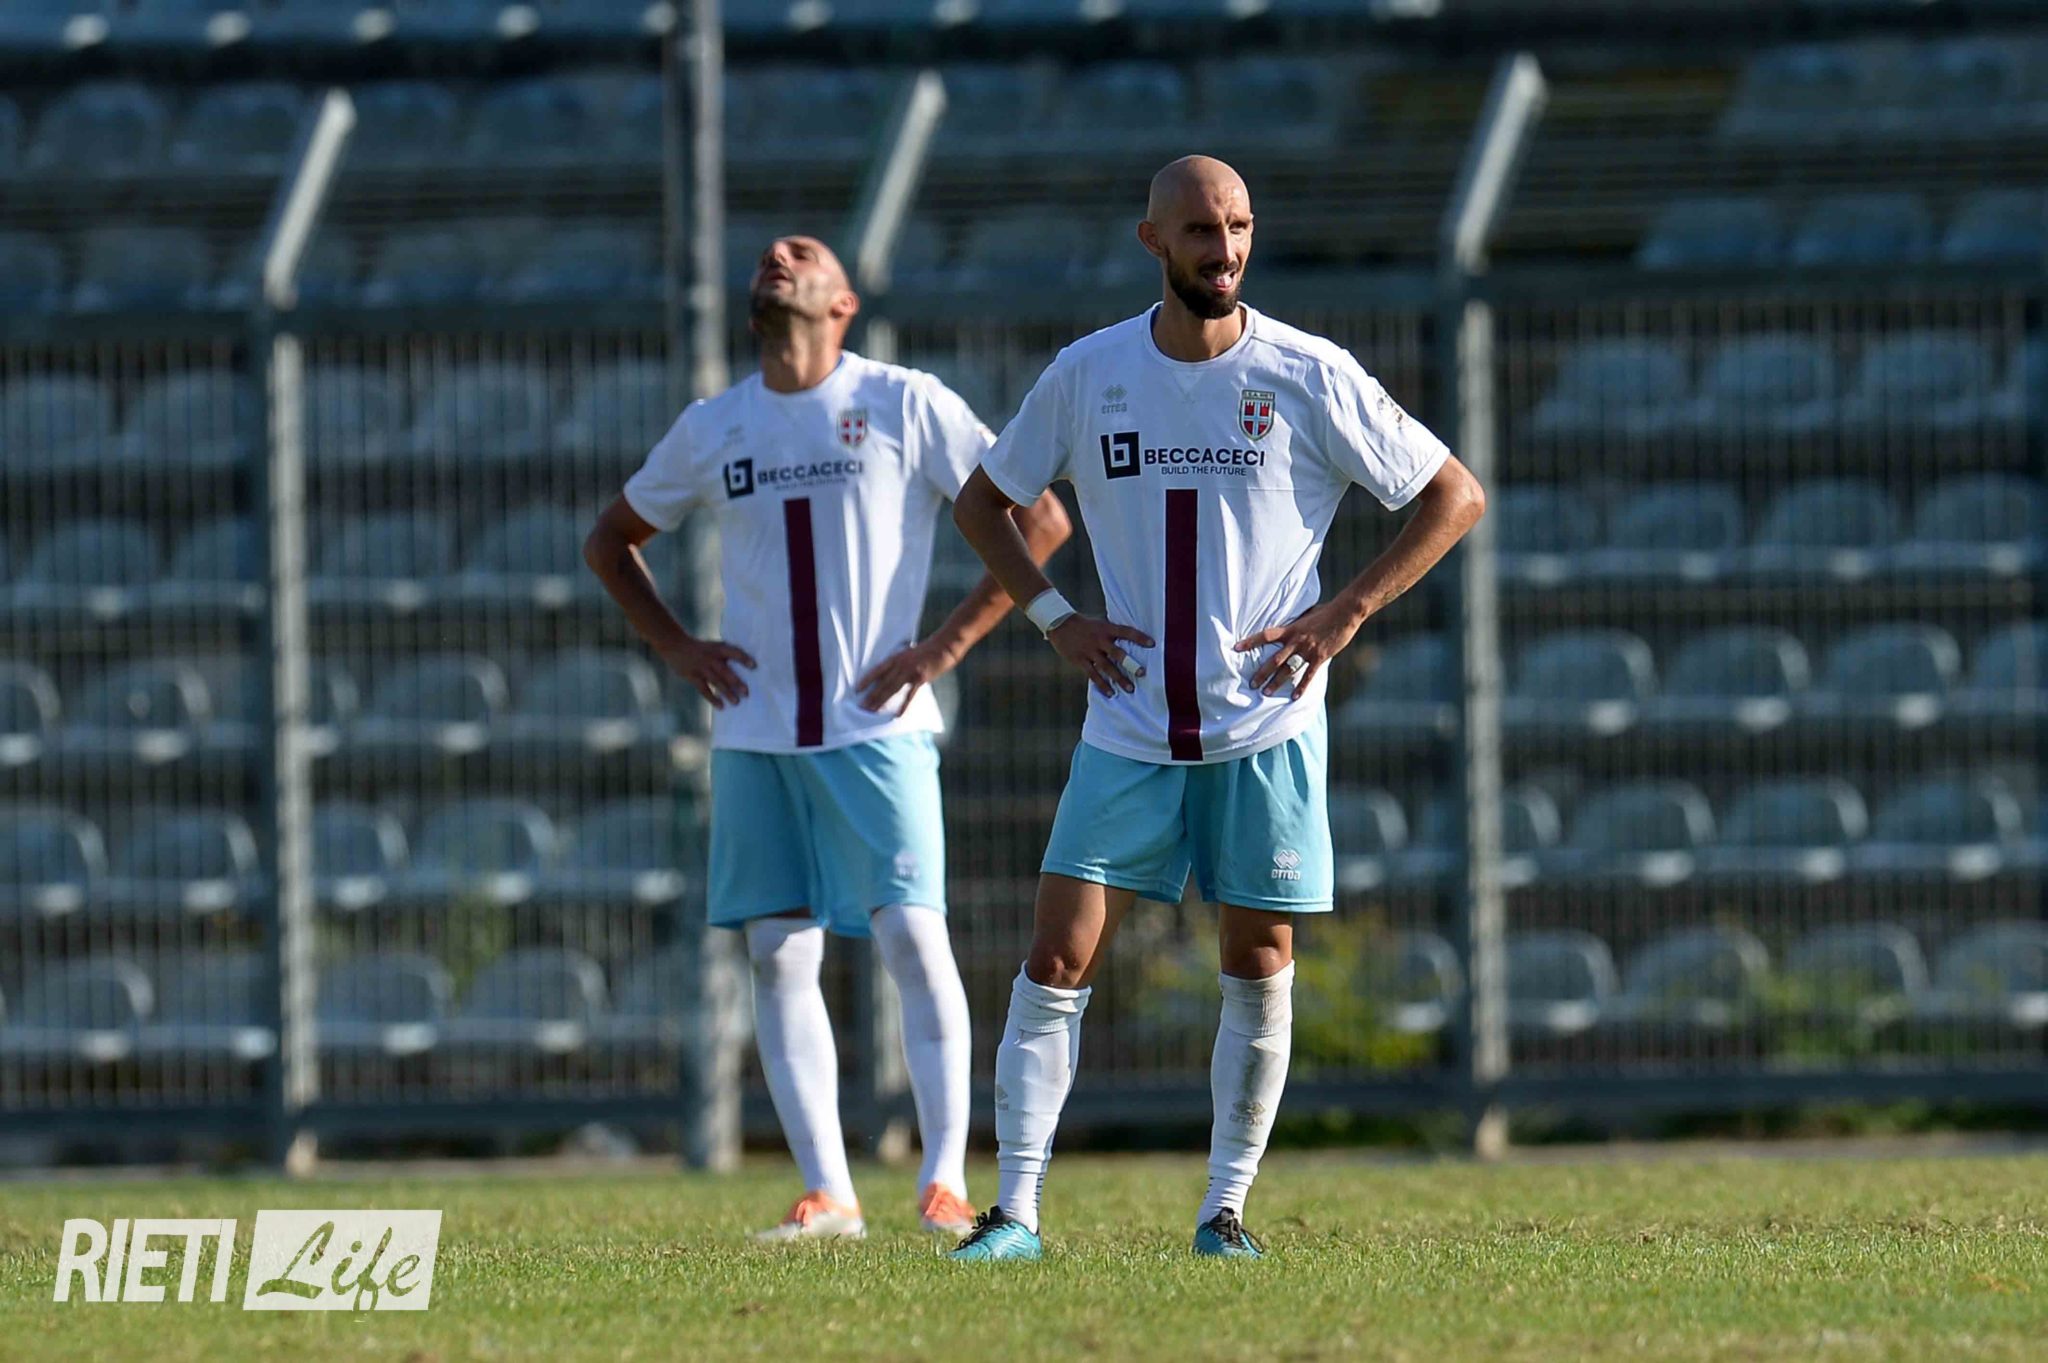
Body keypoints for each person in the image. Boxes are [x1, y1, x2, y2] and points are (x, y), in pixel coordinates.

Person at [947, 156, 1485, 1261]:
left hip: (1264, 724)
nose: (1224, 248)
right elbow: (983, 502)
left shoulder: (1307, 371)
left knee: (1258, 959)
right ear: (1152, 240)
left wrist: (1345, 610)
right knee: (1055, 957)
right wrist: (1055, 617)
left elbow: (1453, 494)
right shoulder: (1088, 373)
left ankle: (1223, 1212)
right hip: (1128, 724)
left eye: (1238, 226)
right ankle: (1014, 1214)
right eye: (1200, 229)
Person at [585, 232, 1072, 1240]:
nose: (778, 252)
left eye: (804, 253)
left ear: (844, 304)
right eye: (770, 253)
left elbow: (1041, 521)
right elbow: (611, 540)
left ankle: (944, 1180)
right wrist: (676, 644)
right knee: (777, 953)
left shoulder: (903, 401)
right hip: (756, 731)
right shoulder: (714, 426)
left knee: (911, 936)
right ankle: (828, 1193)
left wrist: (943, 646)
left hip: (877, 728)